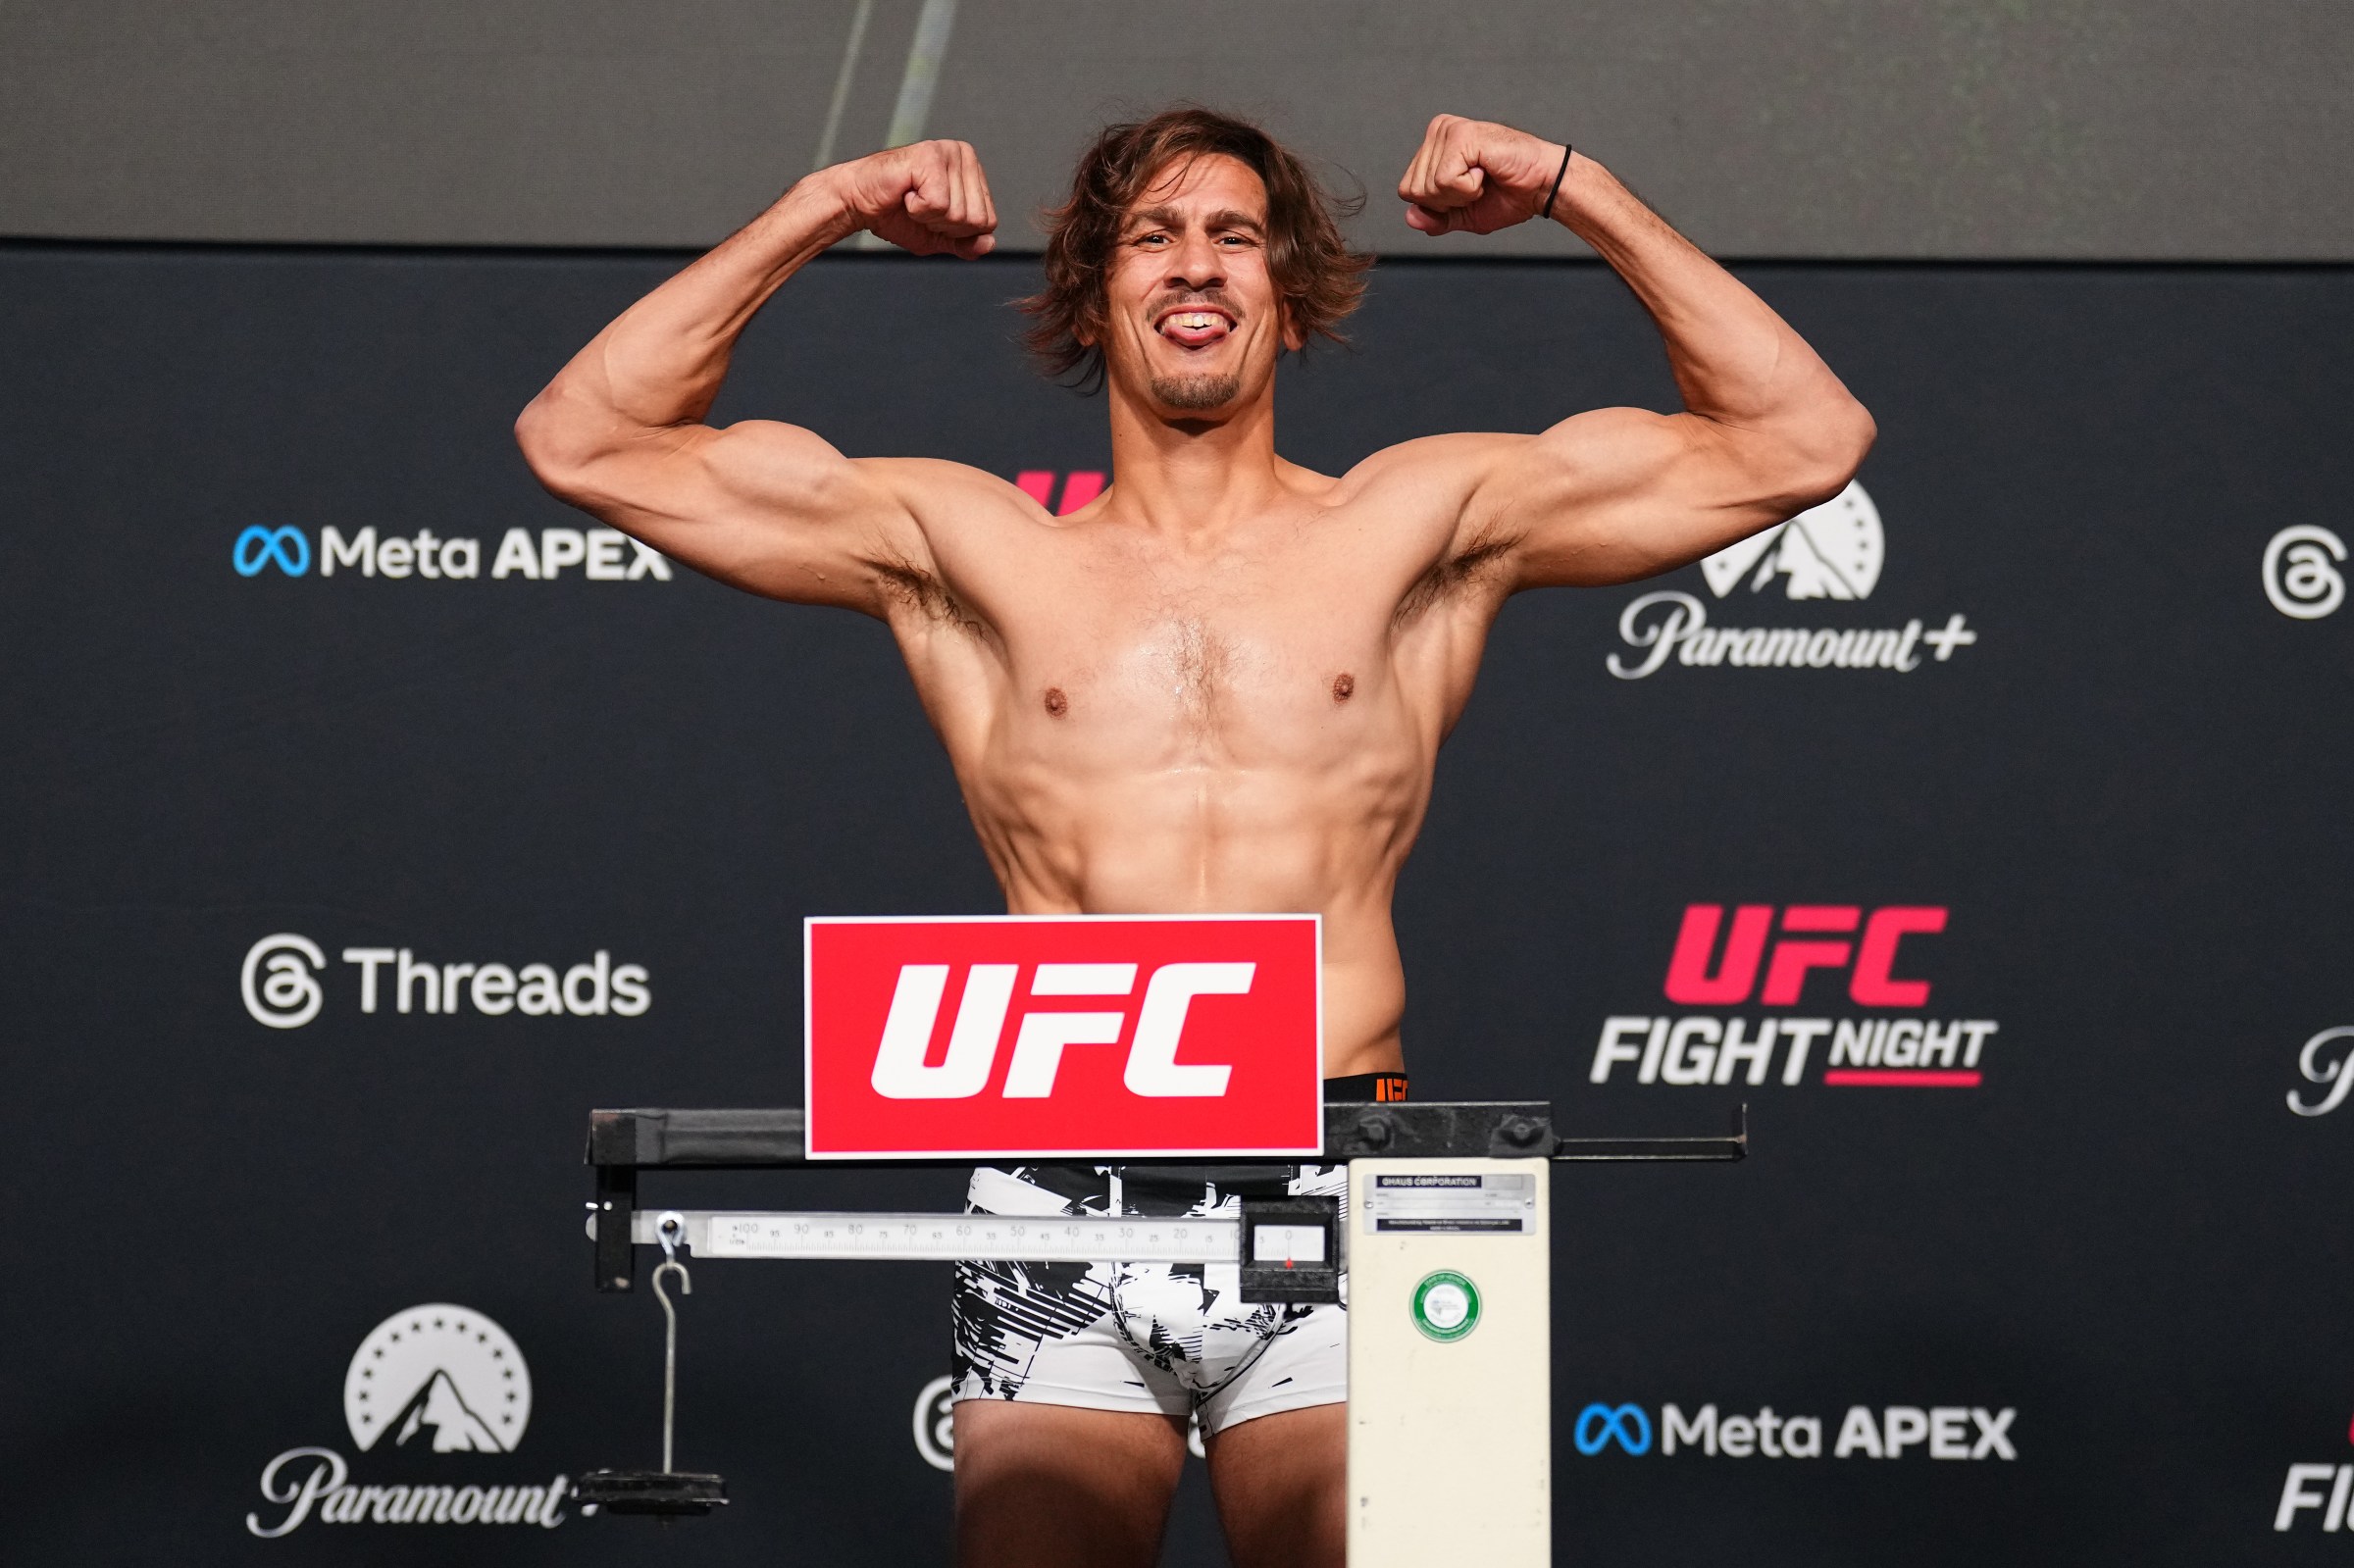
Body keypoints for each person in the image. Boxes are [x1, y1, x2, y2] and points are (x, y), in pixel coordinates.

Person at [517, 105, 1872, 1568]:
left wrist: (1574, 187)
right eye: (1152, 238)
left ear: (1285, 299)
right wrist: (827, 200)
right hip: (1055, 1198)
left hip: (1353, 1172)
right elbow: (583, 439)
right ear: (1096, 297)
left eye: (1235, 237)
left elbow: (1805, 437)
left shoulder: (1418, 522)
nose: (1196, 267)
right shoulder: (965, 549)